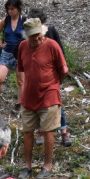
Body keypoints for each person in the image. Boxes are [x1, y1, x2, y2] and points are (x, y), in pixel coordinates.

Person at [15, 18, 68, 179]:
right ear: (26, 36)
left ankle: (47, 165)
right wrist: (22, 88)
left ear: (42, 32)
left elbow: (64, 69)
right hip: (29, 96)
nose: (36, 38)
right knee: (27, 131)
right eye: (32, 36)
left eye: (38, 35)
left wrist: (54, 84)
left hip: (49, 94)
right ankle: (28, 166)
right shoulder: (23, 47)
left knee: (48, 130)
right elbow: (20, 69)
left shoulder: (52, 45)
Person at [27, 8, 72, 149]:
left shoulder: (51, 31)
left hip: (52, 76)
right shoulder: (28, 35)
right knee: (39, 106)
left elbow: (61, 53)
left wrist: (58, 78)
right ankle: (41, 131)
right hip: (36, 79)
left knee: (57, 105)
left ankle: (64, 132)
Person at [0, 0, 26, 111]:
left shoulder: (25, 21)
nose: (10, 11)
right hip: (6, 54)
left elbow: (31, 36)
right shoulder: (5, 20)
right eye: (8, 9)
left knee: (21, 81)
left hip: (20, 55)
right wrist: (0, 43)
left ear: (18, 8)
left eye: (12, 9)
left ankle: (19, 103)